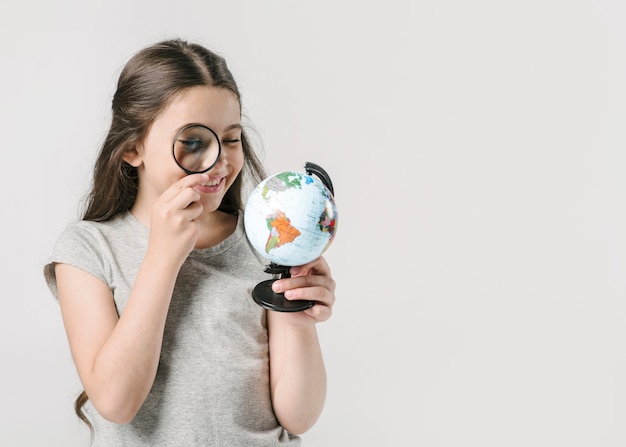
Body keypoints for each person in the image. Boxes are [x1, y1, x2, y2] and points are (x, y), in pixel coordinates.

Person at [43, 38, 336, 446]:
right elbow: (115, 401)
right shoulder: (88, 249)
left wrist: (299, 318)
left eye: (231, 139)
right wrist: (162, 258)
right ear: (132, 148)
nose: (219, 162)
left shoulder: (264, 242)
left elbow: (298, 416)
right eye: (194, 142)